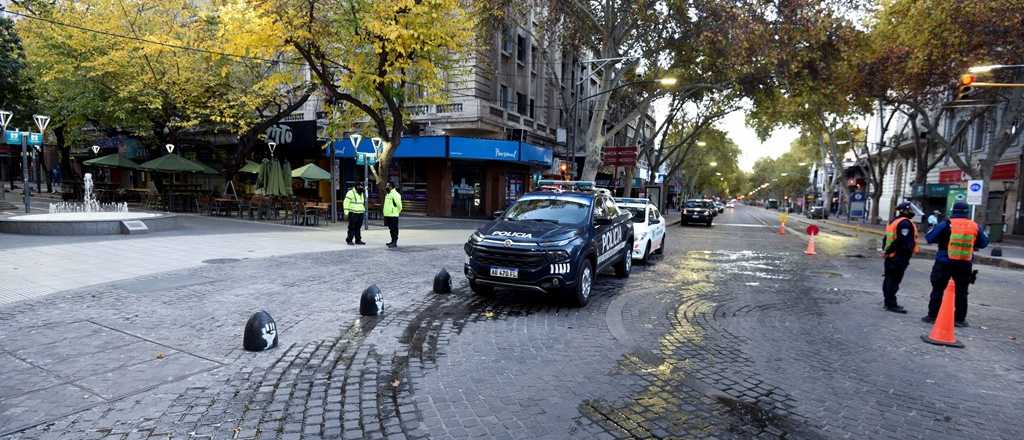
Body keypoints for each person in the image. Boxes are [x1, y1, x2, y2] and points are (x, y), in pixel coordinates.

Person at [922, 201, 988, 327]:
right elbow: (984, 243)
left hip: (944, 261)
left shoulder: (945, 224)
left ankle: (932, 316)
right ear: (967, 212)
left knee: (938, 289)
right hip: (964, 263)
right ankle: (959, 319)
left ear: (953, 211)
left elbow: (929, 238)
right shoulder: (974, 226)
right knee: (962, 291)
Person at [880, 202, 918, 314]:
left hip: (892, 255)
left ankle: (888, 302)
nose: (912, 212)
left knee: (889, 279)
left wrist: (886, 251)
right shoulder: (905, 223)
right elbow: (901, 241)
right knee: (893, 280)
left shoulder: (895, 221)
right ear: (905, 211)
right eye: (910, 210)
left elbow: (887, 238)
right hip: (898, 256)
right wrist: (889, 251)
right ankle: (891, 304)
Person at [383, 181, 402, 248]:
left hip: (393, 215)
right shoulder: (388, 194)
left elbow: (399, 206)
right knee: (391, 229)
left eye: (387, 185)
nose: (386, 187)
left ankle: (394, 242)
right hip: (388, 215)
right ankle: (392, 241)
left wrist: (396, 212)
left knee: (394, 229)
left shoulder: (396, 194)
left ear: (391, 187)